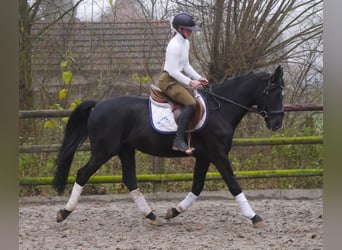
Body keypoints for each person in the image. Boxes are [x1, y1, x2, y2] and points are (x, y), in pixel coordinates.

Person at [158, 13, 208, 154]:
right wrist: (190, 82)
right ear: (179, 29)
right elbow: (173, 71)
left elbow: (185, 65)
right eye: (188, 29)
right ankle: (178, 140)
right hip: (168, 81)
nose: (190, 32)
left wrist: (199, 78)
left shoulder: (185, 42)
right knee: (191, 103)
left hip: (177, 79)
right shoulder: (174, 45)